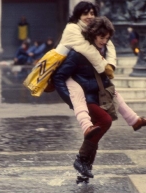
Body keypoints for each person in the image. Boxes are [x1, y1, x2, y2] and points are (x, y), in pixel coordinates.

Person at [55, 1, 146, 140]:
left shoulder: (91, 30)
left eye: (92, 13)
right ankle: (86, 128)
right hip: (68, 73)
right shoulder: (73, 29)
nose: (90, 16)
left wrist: (111, 64)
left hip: (83, 74)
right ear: (78, 15)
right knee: (79, 98)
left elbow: (110, 45)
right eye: (85, 13)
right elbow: (87, 50)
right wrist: (104, 66)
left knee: (112, 91)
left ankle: (134, 120)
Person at [53, 16, 126, 179]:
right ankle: (81, 159)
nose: (105, 41)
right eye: (102, 37)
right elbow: (58, 77)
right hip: (84, 99)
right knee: (105, 121)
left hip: (96, 96)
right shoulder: (77, 54)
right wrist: (70, 101)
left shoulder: (100, 52)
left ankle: (84, 171)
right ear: (93, 35)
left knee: (96, 131)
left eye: (107, 38)